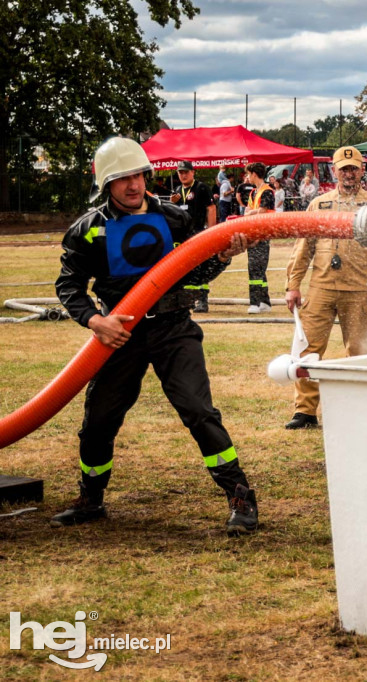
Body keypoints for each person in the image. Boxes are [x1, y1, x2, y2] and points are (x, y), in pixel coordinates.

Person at [51, 137, 257, 535]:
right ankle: (91, 497)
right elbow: (69, 286)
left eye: (138, 175)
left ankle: (240, 494)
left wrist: (219, 258)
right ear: (106, 184)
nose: (132, 185)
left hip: (173, 328)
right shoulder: (88, 230)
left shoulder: (176, 218)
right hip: (118, 335)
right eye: (121, 178)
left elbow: (192, 275)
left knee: (198, 411)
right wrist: (96, 322)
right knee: (98, 421)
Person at [283, 146, 367, 429]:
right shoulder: (318, 204)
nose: (349, 173)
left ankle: (357, 407)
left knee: (358, 351)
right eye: (343, 168)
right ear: (333, 171)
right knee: (307, 350)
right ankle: (305, 411)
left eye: (354, 168)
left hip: (358, 288)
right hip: (320, 287)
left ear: (362, 171)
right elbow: (303, 246)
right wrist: (293, 284)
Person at [169, 160, 217, 313]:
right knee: (185, 268)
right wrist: (172, 203)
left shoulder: (201, 187)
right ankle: (188, 300)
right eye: (180, 172)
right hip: (182, 236)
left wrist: (211, 231)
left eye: (186, 172)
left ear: (193, 172)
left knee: (201, 266)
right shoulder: (177, 190)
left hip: (198, 232)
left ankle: (202, 300)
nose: (183, 175)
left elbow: (211, 208)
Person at [244, 162, 274, 314]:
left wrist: (250, 213)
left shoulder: (267, 191)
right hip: (253, 233)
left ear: (254, 174)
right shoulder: (253, 193)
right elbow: (249, 209)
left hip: (262, 234)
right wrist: (250, 212)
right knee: (258, 269)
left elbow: (262, 211)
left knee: (255, 268)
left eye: (248, 174)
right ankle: (265, 301)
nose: (247, 177)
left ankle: (255, 303)